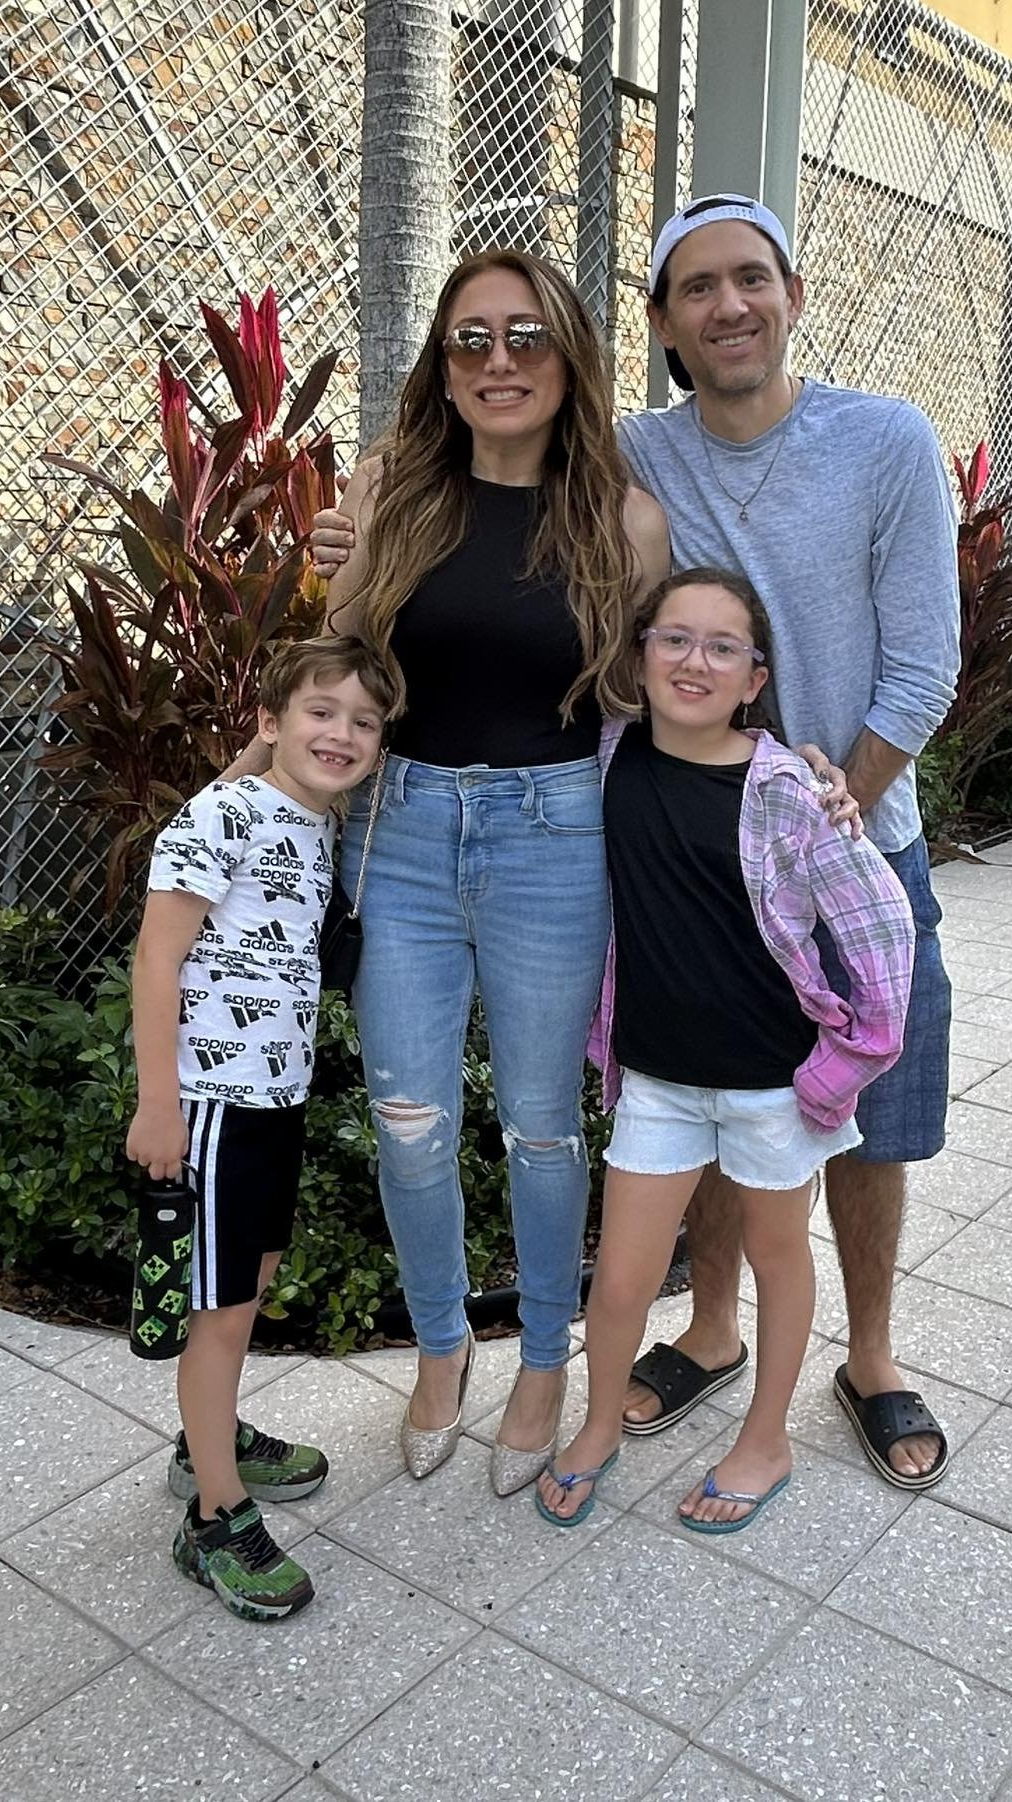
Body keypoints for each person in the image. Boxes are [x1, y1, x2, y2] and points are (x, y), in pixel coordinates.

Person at [313, 193, 961, 1489]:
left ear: (788, 292)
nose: (730, 306)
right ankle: (711, 1327)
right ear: (662, 323)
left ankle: (873, 1356)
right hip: (684, 853)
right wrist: (357, 521)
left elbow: (924, 666)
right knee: (713, 1083)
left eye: (752, 279)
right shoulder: (637, 460)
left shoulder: (886, 441)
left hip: (850, 838)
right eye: (699, 288)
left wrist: (830, 817)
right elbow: (504, 507)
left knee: (874, 1118)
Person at [321, 248, 672, 1493]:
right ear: (442, 366)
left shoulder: (622, 517)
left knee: (537, 1122)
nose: (498, 361)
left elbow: (639, 693)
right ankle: (436, 1348)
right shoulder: (392, 488)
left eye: (524, 336)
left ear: (569, 355)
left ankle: (540, 1362)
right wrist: (265, 772)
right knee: (406, 1119)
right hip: (402, 830)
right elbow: (342, 654)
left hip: (552, 836)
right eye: (470, 340)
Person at [534, 570, 912, 1532]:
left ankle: (767, 1439)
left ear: (755, 677)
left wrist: (842, 1066)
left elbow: (882, 933)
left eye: (722, 646)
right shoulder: (606, 760)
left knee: (779, 1256)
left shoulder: (788, 789)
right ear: (639, 655)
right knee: (620, 1278)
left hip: (770, 1088)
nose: (694, 660)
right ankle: (597, 1428)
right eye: (674, 639)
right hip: (657, 1081)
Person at [125, 634, 400, 1621]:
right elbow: (156, 959)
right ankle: (214, 1515)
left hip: (274, 1098)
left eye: (362, 722)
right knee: (220, 1309)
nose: (341, 733)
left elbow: (269, 782)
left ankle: (207, 1433)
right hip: (204, 1105)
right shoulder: (221, 815)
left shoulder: (307, 818)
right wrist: (158, 1102)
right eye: (319, 710)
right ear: (272, 718)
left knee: (251, 1278)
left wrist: (259, 756)